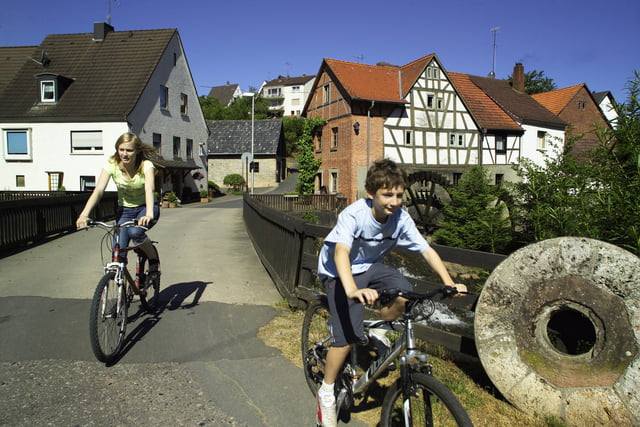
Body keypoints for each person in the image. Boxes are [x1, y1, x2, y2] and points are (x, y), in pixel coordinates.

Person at [315, 158, 467, 427]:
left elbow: (426, 250)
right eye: (387, 195)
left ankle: (379, 329)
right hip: (339, 272)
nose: (394, 201)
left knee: (405, 292)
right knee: (346, 339)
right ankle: (326, 391)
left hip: (371, 267)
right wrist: (352, 288)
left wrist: (449, 282)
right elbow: (341, 252)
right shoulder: (354, 215)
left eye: (398, 194)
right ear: (371, 194)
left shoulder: (400, 218)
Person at [76, 132, 159, 263]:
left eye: (129, 150)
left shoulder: (146, 165)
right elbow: (98, 190)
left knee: (135, 233)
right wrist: (84, 214)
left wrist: (148, 214)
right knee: (118, 251)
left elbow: (149, 188)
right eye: (121, 150)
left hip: (146, 208)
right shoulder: (112, 165)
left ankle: (153, 258)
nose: (125, 154)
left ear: (137, 151)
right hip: (125, 210)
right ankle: (118, 277)